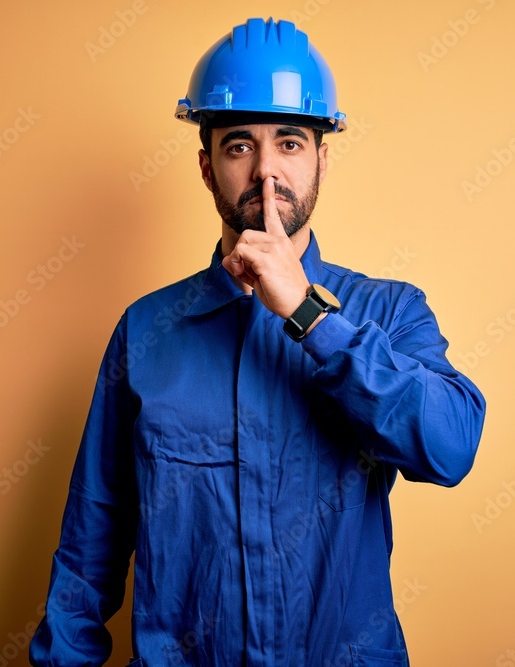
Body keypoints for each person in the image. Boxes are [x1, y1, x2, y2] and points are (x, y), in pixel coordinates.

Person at [30, 17, 485, 667]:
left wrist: (308, 314)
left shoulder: (389, 311)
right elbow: (88, 552)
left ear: (322, 159)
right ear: (207, 166)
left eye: (291, 143)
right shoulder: (145, 331)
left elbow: (450, 446)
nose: (266, 171)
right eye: (240, 145)